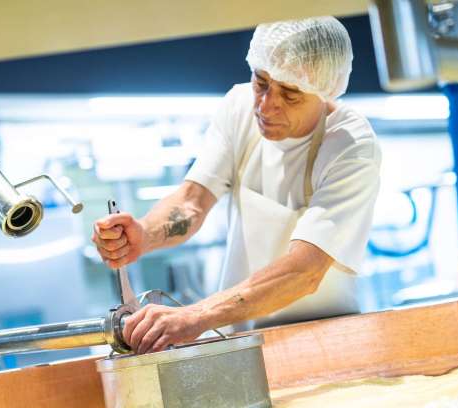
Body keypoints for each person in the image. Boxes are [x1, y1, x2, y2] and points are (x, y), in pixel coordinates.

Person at [92, 16, 381, 354]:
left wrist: (196, 315)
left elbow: (305, 270)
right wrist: (145, 234)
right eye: (261, 82)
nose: (266, 105)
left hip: (325, 343)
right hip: (242, 342)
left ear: (324, 90)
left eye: (290, 94)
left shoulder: (350, 144)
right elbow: (192, 201)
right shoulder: (239, 108)